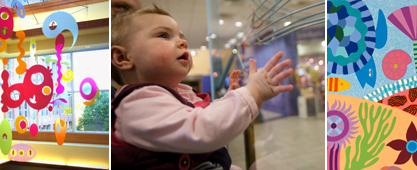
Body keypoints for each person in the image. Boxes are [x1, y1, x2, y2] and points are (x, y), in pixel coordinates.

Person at [110, 4, 293, 170]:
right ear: (123, 58)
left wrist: (229, 98)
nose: (183, 42)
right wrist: (255, 92)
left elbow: (201, 114)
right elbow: (201, 129)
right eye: (164, 35)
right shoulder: (138, 103)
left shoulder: (178, 91)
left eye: (182, 37)